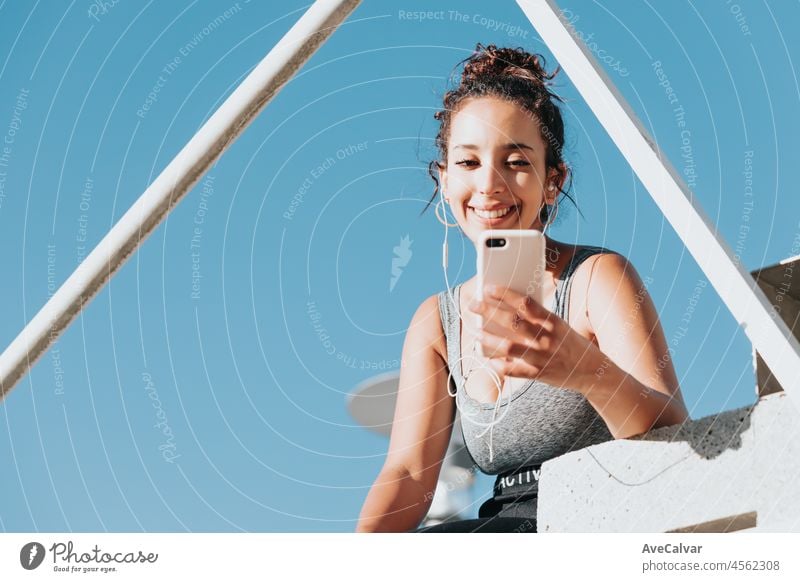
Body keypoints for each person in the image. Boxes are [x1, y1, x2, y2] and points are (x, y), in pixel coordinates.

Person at [355, 44, 689, 533]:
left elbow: (675, 435)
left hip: (599, 519)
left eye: (515, 160)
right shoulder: (437, 322)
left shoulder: (597, 278)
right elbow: (407, 473)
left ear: (553, 181)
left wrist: (584, 369)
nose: (490, 184)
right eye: (468, 163)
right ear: (443, 180)